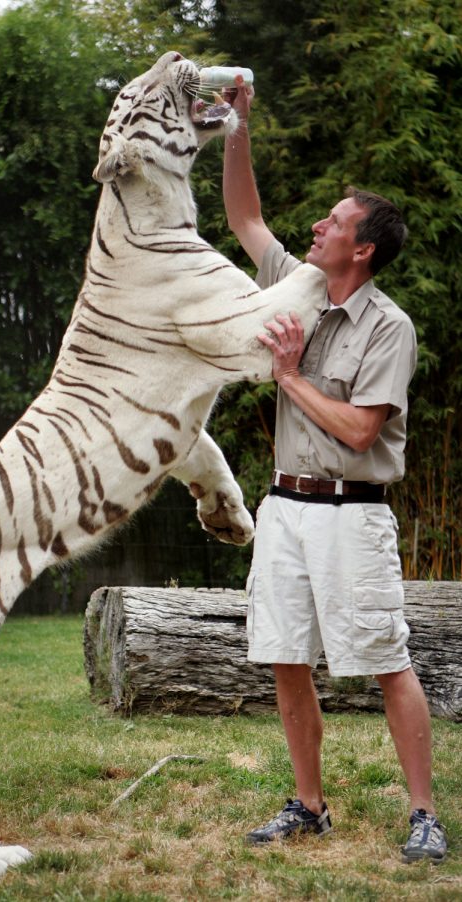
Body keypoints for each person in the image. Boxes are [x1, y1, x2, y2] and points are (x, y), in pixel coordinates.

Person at [222, 78, 446, 863]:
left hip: (353, 513)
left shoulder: (390, 327)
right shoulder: (298, 283)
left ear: (364, 249)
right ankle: (308, 807)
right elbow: (244, 218)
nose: (316, 226)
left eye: (334, 222)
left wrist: (288, 378)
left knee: (386, 660)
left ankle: (424, 814)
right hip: (282, 508)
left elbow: (357, 431)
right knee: (286, 655)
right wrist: (236, 127)